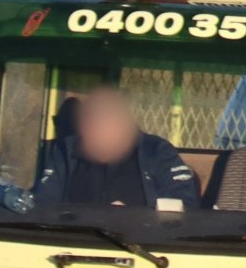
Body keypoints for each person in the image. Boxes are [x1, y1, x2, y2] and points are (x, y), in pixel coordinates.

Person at [34, 87, 200, 208]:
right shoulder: (66, 152)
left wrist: (134, 219)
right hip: (70, 247)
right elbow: (42, 203)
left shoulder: (157, 151)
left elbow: (185, 205)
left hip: (145, 249)